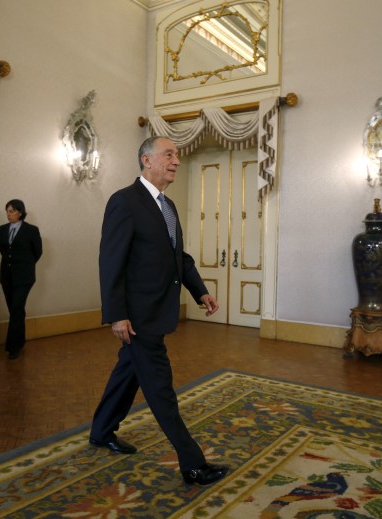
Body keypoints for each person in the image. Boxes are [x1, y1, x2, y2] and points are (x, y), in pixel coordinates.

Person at [89, 136, 229, 486]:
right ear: (146, 160)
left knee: (128, 372)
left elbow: (178, 257)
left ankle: (101, 430)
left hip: (155, 311)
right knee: (161, 390)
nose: (176, 161)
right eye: (169, 154)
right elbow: (111, 262)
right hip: (138, 317)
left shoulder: (168, 206)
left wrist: (200, 291)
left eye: (177, 156)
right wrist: (117, 314)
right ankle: (193, 463)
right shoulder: (124, 202)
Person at [0, 199, 43, 360]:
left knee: (16, 309)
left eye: (11, 211)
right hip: (6, 276)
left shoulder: (31, 230)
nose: (8, 215)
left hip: (24, 277)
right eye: (7, 211)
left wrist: (25, 265)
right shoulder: (2, 230)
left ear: (20, 212)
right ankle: (21, 339)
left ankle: (13, 347)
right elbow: (3, 250)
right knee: (16, 310)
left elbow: (37, 252)